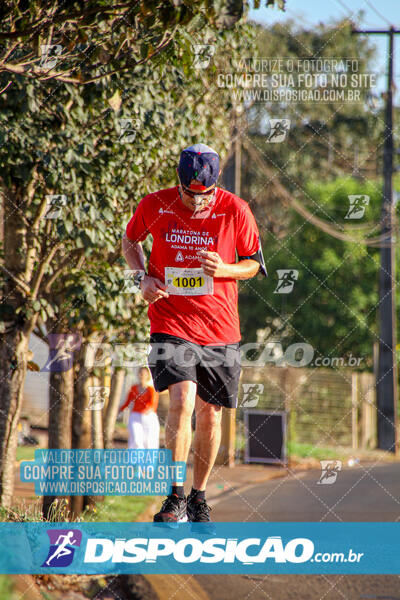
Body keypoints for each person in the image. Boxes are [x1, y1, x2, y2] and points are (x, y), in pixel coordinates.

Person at [122, 142, 267, 523]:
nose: (199, 203)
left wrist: (224, 268)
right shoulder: (154, 204)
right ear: (179, 184)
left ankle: (198, 497)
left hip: (221, 327)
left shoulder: (236, 210)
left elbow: (253, 266)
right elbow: (130, 241)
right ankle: (174, 496)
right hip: (171, 320)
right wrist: (143, 277)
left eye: (207, 195)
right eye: (191, 195)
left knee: (210, 415)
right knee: (183, 400)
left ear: (215, 186)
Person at [119, 366, 160, 449]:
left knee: (149, 442)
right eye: (140, 373)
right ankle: (135, 461)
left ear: (148, 376)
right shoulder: (133, 388)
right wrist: (120, 409)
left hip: (148, 418)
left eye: (143, 374)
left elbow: (153, 405)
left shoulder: (151, 390)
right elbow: (127, 402)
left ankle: (149, 461)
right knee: (136, 440)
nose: (141, 376)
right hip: (136, 417)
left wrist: (148, 410)